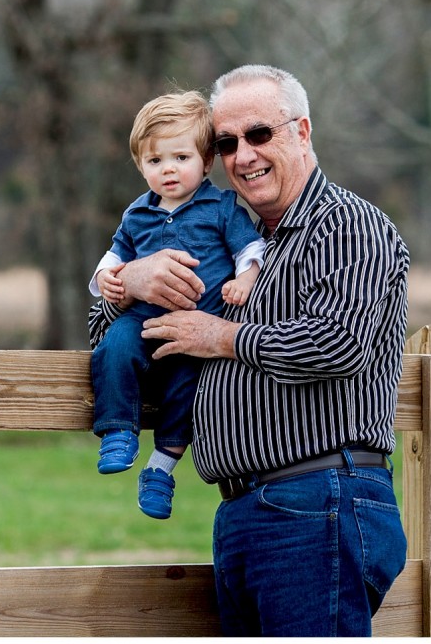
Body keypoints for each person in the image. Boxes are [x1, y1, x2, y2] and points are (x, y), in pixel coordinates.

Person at [88, 65, 410, 635]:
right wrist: (129, 285)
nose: (243, 155)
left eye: (259, 134)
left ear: (302, 131)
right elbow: (107, 347)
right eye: (228, 143)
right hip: (243, 509)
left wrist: (222, 336)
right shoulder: (219, 238)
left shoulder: (348, 225)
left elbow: (340, 343)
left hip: (318, 499)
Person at [89, 91, 266, 520]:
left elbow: (250, 250)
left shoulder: (221, 207)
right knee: (113, 348)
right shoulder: (136, 215)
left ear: (205, 161)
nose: (168, 169)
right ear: (140, 166)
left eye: (181, 158)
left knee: (189, 392)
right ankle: (118, 431)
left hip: (197, 331)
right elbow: (110, 263)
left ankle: (161, 469)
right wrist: (111, 282)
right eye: (155, 161)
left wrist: (245, 279)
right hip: (144, 321)